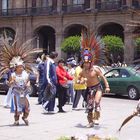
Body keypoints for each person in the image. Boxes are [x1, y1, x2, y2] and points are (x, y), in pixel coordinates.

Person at [78, 28, 110, 127]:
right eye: (85, 63)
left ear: (90, 62)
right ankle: (90, 122)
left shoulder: (95, 69)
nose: (86, 64)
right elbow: (78, 79)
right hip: (89, 89)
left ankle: (96, 118)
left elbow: (103, 77)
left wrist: (107, 86)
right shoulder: (82, 71)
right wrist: (81, 81)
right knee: (90, 106)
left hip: (98, 88)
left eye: (88, 63)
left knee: (96, 102)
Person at [10, 61, 31, 125]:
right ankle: (16, 121)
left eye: (22, 67)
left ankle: (25, 117)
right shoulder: (13, 75)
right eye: (19, 67)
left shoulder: (25, 74)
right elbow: (10, 83)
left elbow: (28, 81)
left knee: (27, 107)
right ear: (16, 68)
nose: (21, 68)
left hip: (25, 92)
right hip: (17, 92)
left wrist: (28, 84)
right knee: (17, 107)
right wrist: (11, 82)